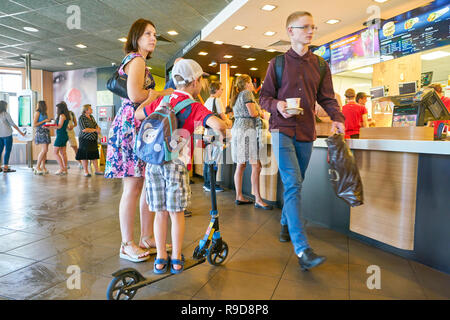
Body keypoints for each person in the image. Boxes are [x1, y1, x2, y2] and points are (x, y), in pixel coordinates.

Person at [259, 11, 346, 271]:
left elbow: (327, 97)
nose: (310, 31)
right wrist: (279, 105)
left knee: (295, 184)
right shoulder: (276, 64)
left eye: (313, 27)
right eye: (305, 27)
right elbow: (264, 97)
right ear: (291, 31)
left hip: (307, 133)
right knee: (294, 184)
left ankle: (286, 224)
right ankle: (302, 249)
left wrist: (337, 117)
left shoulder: (320, 64)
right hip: (281, 130)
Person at [135, 59, 227, 274]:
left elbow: (138, 115)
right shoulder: (194, 106)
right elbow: (218, 124)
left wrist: (151, 97)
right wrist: (221, 134)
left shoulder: (164, 100)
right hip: (176, 163)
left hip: (153, 163)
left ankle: (160, 258)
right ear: (195, 81)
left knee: (160, 212)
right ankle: (176, 259)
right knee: (176, 212)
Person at [105, 18, 173, 262]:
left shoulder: (139, 62)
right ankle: (126, 244)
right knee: (133, 187)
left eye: (154, 34)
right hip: (129, 129)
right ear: (136, 37)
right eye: (147, 34)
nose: (153, 38)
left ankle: (146, 237)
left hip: (137, 128)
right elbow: (135, 95)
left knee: (143, 185)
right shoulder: (137, 59)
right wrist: (160, 93)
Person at [231, 74, 272, 210]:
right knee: (256, 166)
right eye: (251, 82)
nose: (253, 85)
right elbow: (253, 113)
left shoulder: (237, 96)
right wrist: (262, 113)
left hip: (238, 130)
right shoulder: (247, 93)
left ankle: (238, 196)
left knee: (240, 165)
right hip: (247, 131)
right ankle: (258, 199)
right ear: (247, 83)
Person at [203, 81, 232, 192]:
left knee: (208, 158)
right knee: (214, 159)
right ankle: (212, 184)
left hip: (207, 133)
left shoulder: (207, 101)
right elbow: (223, 117)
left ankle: (207, 183)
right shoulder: (217, 100)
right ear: (216, 90)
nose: (222, 91)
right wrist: (228, 122)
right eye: (221, 89)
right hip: (216, 133)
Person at [76, 104, 103, 177]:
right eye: (90, 109)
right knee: (85, 156)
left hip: (93, 139)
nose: (92, 110)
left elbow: (96, 125)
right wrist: (95, 130)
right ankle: (86, 171)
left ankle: (97, 170)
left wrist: (98, 128)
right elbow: (84, 129)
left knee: (94, 155)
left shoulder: (91, 117)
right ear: (86, 110)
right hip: (84, 139)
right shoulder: (81, 118)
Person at [0, 100, 25, 172]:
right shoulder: (5, 114)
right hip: (7, 135)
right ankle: (5, 168)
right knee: (7, 151)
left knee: (0, 151)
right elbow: (13, 124)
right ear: (4, 106)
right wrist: (21, 132)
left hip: (0, 136)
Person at [33, 100, 51, 175]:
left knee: (45, 151)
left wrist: (49, 123)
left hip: (46, 131)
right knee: (44, 150)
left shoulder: (45, 113)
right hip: (40, 132)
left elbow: (45, 123)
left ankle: (43, 166)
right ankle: (37, 166)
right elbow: (35, 124)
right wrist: (44, 121)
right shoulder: (37, 113)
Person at [53, 101, 70, 175]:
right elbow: (66, 126)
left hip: (61, 135)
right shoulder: (66, 116)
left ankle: (61, 168)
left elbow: (59, 126)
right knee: (63, 153)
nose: (57, 110)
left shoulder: (61, 116)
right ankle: (65, 169)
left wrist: (50, 127)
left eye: (57, 108)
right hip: (64, 135)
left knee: (55, 152)